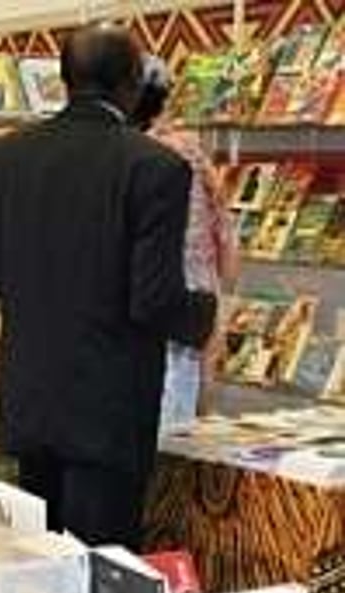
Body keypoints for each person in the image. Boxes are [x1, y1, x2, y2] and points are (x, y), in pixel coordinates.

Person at [0, 25, 217, 548]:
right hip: (107, 407)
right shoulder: (156, 168)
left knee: (36, 572)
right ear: (132, 84)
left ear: (63, 79)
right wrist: (206, 315)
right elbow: (153, 299)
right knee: (101, 582)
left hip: (31, 398)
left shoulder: (4, 157)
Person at [130, 56, 237, 431]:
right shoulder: (191, 149)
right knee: (181, 414)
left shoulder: (134, 154)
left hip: (149, 302)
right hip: (194, 301)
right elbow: (223, 226)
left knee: (153, 418)